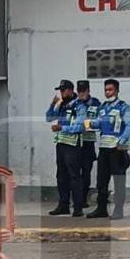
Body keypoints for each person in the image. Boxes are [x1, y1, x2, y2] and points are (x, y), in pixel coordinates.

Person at [87, 78, 130, 220]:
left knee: (119, 180)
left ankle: (118, 210)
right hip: (103, 149)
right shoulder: (102, 107)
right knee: (101, 180)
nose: (108, 92)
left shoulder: (123, 107)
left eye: (111, 90)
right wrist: (90, 123)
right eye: (106, 90)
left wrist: (121, 141)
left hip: (117, 149)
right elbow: (99, 123)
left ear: (117, 90)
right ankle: (101, 208)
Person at [45, 79, 86, 217]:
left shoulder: (79, 105)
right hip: (61, 144)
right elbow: (49, 118)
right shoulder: (61, 104)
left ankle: (78, 207)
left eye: (63, 90)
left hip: (73, 145)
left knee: (74, 176)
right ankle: (63, 205)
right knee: (61, 176)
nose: (61, 93)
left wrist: (62, 127)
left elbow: (81, 126)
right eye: (60, 90)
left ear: (70, 90)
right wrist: (52, 105)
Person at [74, 80, 100, 206]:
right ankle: (76, 200)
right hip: (75, 141)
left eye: (84, 91)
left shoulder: (96, 103)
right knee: (74, 172)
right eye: (79, 91)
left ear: (88, 91)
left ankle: (83, 199)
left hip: (88, 142)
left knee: (86, 172)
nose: (81, 93)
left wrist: (86, 124)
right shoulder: (74, 103)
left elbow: (100, 121)